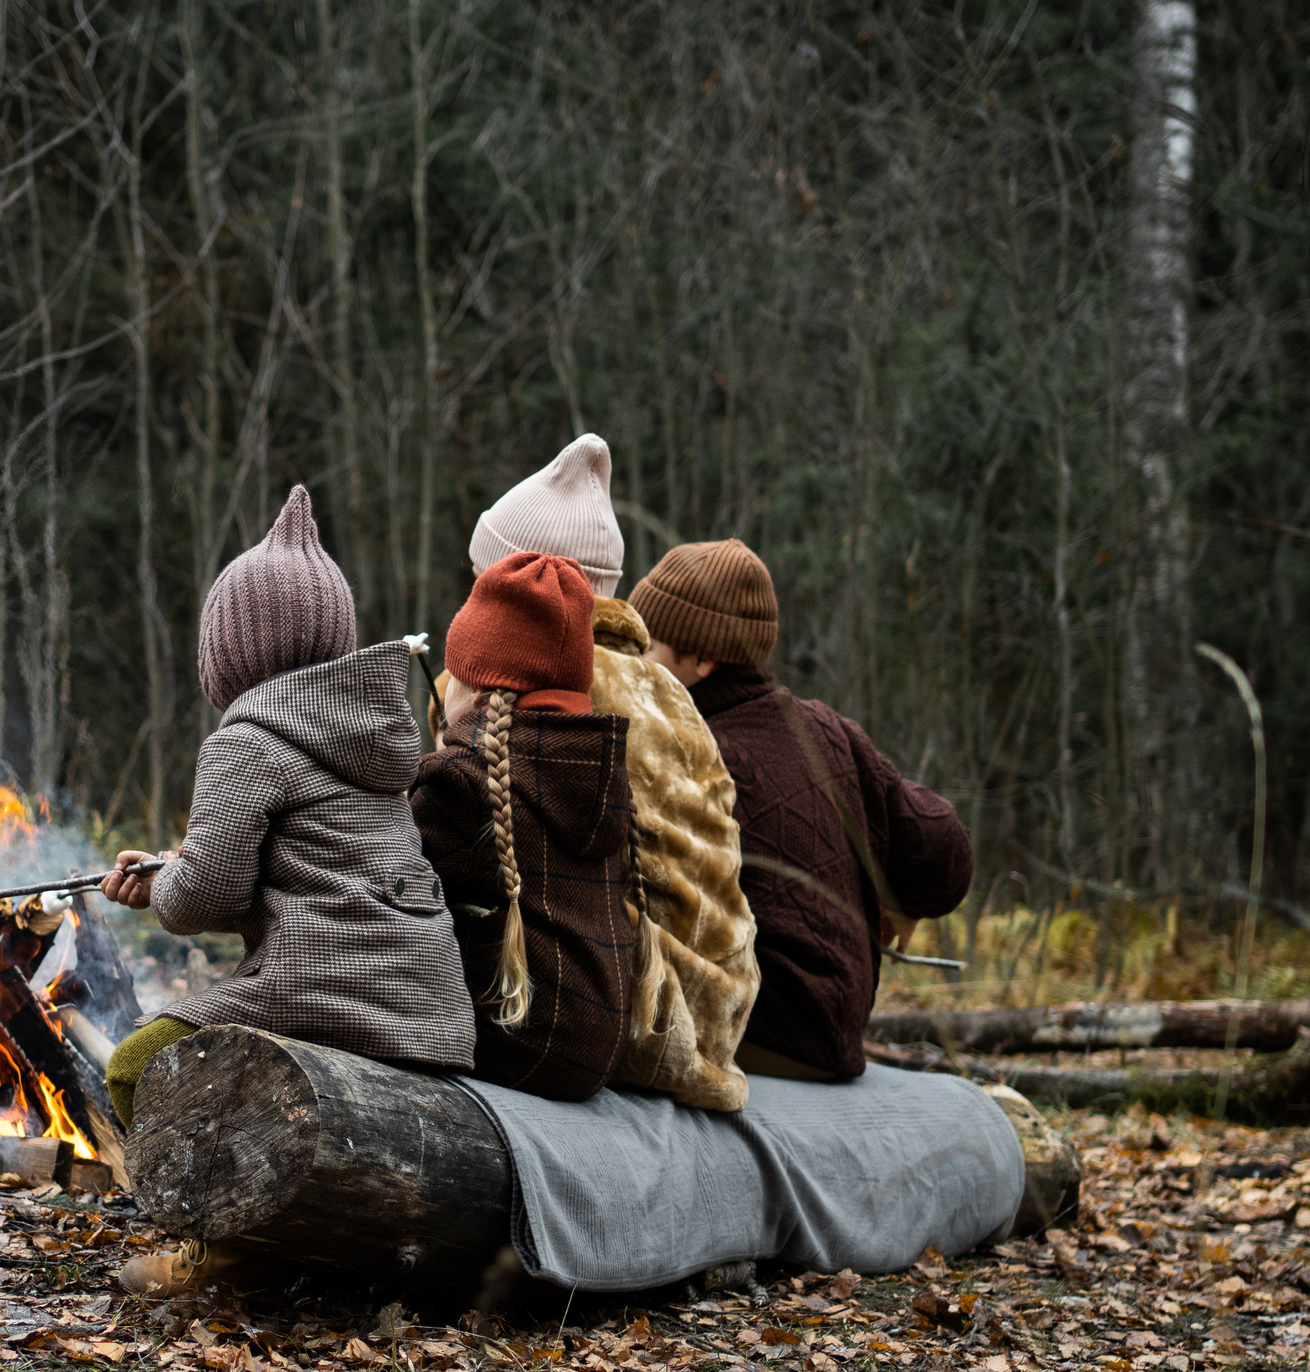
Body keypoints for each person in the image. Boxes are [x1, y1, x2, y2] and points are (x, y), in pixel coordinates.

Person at [98, 485, 475, 1128]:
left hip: (322, 999)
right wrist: (169, 870)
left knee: (134, 1067)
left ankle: (216, 1230)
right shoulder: (370, 737)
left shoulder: (248, 742)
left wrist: (168, 891)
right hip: (431, 1019)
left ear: (232, 655)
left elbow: (203, 899)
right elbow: (317, 878)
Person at [461, 436, 759, 1110]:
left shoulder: (548, 687)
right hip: (720, 1012)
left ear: (517, 584)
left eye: (483, 577)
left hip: (642, 1017)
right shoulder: (667, 690)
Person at [629, 539, 973, 1082]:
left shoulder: (687, 751)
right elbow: (945, 845)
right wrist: (901, 895)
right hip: (838, 1036)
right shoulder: (829, 732)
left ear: (701, 660)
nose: (634, 665)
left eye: (649, 648)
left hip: (757, 1033)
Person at [409, 551, 638, 1100]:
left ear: (476, 685)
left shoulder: (460, 781)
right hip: (596, 1052)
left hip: (514, 1044)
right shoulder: (599, 765)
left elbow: (382, 879)